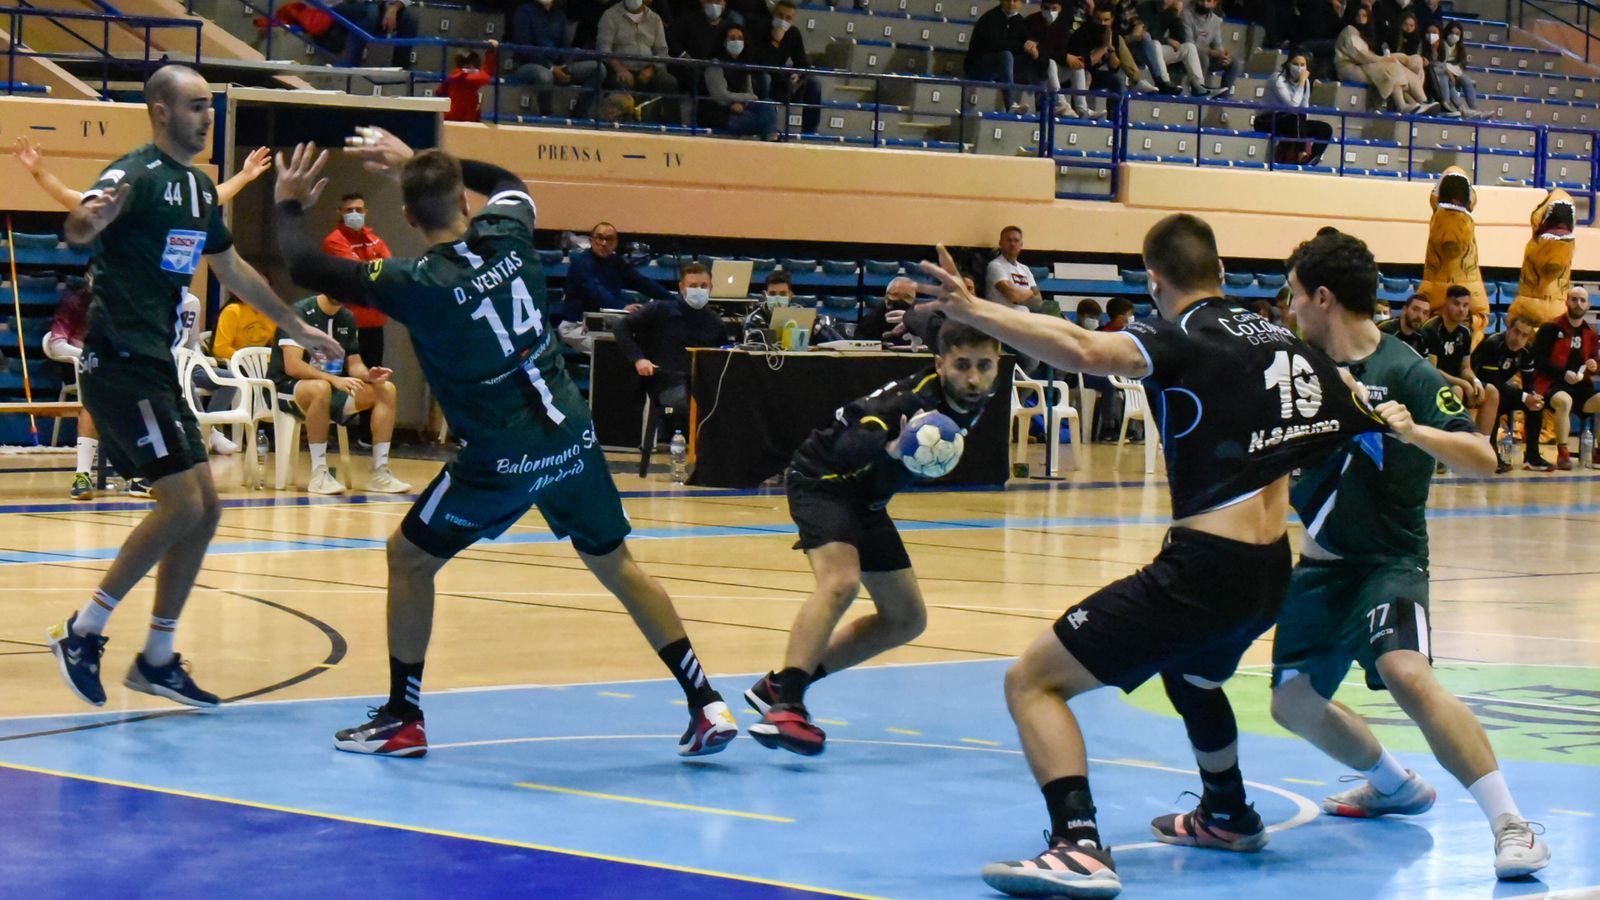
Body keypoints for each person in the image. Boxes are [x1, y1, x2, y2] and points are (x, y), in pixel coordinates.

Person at [922, 215, 1385, 898]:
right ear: (1222, 274)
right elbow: (1354, 422)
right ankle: (1227, 813)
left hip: (1204, 569)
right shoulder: (1285, 340)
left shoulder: (1179, 335)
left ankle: (1077, 845)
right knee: (1193, 677)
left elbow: (1081, 349)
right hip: (1268, 574)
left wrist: (976, 311)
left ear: (1155, 282)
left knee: (1032, 682)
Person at [272, 130, 739, 759]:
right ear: (465, 205)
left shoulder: (413, 281)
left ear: (408, 218)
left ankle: (403, 717)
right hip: (571, 435)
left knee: (409, 558)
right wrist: (420, 160)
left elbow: (302, 263)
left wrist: (288, 201)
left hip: (503, 454)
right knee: (616, 564)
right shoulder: (510, 240)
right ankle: (706, 700)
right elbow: (510, 181)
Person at [44, 65, 342, 710]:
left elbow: (231, 268)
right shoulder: (137, 173)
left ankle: (156, 656)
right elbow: (81, 226)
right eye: (197, 107)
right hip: (119, 363)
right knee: (180, 504)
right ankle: (84, 631)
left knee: (206, 511)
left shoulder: (199, 190)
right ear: (160, 111)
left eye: (211, 107)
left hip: (157, 364)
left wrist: (295, 325)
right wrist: (85, 222)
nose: (208, 118)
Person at [1268, 230, 1550, 882]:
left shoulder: (1407, 372)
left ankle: (1513, 826)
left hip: (1388, 564)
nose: (1289, 309)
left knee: (1405, 670)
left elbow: (1484, 460)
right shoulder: (1303, 367)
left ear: (1323, 297)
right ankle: (1394, 785)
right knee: (1292, 702)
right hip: (1319, 569)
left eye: (1293, 296)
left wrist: (1412, 431)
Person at [743, 323, 1002, 754]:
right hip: (822, 481)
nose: (973, 378)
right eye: (961, 366)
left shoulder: (977, 395)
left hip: (867, 498)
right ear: (940, 365)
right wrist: (888, 450)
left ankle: (780, 684)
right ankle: (786, 708)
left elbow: (927, 316)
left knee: (905, 618)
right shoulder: (910, 402)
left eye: (983, 366)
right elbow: (848, 447)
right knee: (840, 582)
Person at [266, 293, 411, 495]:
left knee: (386, 390)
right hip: (286, 388)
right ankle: (319, 473)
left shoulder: (347, 318)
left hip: (330, 387)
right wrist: (333, 379)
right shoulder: (298, 313)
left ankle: (380, 472)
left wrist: (368, 375)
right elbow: (293, 365)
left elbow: (354, 364)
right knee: (320, 388)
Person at [613, 262, 731, 413]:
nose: (699, 290)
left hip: (701, 385)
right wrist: (638, 359)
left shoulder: (715, 321)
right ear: (682, 287)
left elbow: (722, 353)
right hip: (665, 384)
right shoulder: (660, 309)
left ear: (711, 288)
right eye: (693, 286)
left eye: (703, 286)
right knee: (685, 404)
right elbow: (621, 326)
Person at [555, 222, 674, 351]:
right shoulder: (580, 262)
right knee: (614, 349)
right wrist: (622, 306)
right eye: (600, 238)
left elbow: (641, 282)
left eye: (609, 239)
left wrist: (674, 300)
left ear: (616, 243)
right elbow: (595, 291)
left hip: (606, 324)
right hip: (576, 326)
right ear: (591, 241)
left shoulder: (616, 262)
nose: (604, 243)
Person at [1525, 285, 1600, 471]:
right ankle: (1563, 452)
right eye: (1574, 299)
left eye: (1582, 300)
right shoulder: (1550, 328)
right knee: (1565, 401)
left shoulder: (1590, 333)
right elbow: (1538, 360)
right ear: (1566, 301)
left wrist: (1594, 365)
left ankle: (1598, 452)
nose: (1578, 303)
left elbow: (1594, 360)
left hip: (1582, 388)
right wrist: (1563, 374)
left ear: (1588, 305)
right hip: (1552, 385)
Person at [1421, 285, 1498, 438]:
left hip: (1457, 380)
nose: (1462, 309)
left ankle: (1482, 445)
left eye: (1465, 305)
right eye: (1456, 304)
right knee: (1457, 390)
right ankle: (1451, 446)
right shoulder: (1431, 329)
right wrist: (1463, 383)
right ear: (1446, 303)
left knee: (1491, 392)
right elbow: (1432, 370)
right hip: (1435, 382)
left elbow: (1465, 367)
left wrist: (1474, 381)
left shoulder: (1465, 332)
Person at [509, 0, 604, 119]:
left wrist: (564, 64)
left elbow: (565, 46)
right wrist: (551, 67)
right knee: (545, 76)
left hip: (557, 64)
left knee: (598, 68)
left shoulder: (559, 14)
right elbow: (525, 48)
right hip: (528, 64)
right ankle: (546, 116)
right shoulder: (523, 11)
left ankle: (579, 113)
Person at [1471, 314, 1539, 473]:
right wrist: (1524, 397)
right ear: (1508, 329)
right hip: (1479, 388)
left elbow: (1529, 383)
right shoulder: (1493, 343)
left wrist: (1533, 396)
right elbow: (1493, 383)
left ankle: (1532, 456)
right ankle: (1491, 452)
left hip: (1500, 390)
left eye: (1524, 335)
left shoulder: (1527, 350)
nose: (1519, 338)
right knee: (1494, 400)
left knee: (1536, 406)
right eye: (1516, 331)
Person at [1336, 5, 1434, 114]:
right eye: (1358, 15)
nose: (1360, 18)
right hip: (1350, 67)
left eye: (1364, 15)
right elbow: (1360, 55)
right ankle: (1402, 106)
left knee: (1403, 71)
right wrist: (1383, 59)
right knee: (1391, 69)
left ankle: (1423, 102)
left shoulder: (1366, 34)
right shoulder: (1350, 30)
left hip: (1363, 65)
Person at [597, 0, 682, 124]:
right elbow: (603, 49)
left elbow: (662, 51)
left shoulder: (655, 19)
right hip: (619, 69)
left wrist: (651, 69)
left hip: (648, 68)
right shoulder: (610, 15)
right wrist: (620, 69)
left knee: (670, 83)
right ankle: (627, 127)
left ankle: (675, 128)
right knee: (624, 86)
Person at [752, 1, 821, 134]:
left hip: (782, 80)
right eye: (780, 16)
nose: (783, 20)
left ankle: (809, 132)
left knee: (814, 84)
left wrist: (798, 74)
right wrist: (776, 41)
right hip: (761, 77)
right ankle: (768, 128)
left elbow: (802, 62)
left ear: (793, 20)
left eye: (788, 18)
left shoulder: (793, 33)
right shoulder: (760, 28)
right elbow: (761, 62)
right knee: (765, 78)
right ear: (773, 15)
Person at [1255, 52, 1333, 165]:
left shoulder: (1306, 82)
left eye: (1302, 65)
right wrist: (1301, 83)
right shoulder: (1277, 79)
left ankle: (1311, 160)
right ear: (1288, 64)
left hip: (1293, 121)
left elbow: (1304, 107)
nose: (1299, 68)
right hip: (1266, 120)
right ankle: (1302, 154)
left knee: (1325, 129)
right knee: (1295, 115)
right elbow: (1293, 106)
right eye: (1295, 64)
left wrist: (1302, 127)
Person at [701, 26, 777, 138]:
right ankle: (772, 140)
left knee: (768, 103)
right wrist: (743, 100)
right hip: (720, 113)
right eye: (732, 38)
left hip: (741, 110)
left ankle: (771, 139)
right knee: (766, 121)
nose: (737, 41)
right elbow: (721, 96)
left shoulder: (744, 64)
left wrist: (743, 103)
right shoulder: (715, 64)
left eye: (740, 38)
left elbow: (749, 92)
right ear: (724, 42)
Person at [966, 0, 1038, 110]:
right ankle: (1010, 104)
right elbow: (994, 44)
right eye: (1008, 0)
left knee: (1034, 61)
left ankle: (1043, 109)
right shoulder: (989, 18)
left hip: (1001, 69)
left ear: (1021, 3)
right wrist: (1022, 47)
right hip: (979, 67)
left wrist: (1032, 49)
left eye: (1015, 0)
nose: (1011, 3)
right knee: (1006, 56)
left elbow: (1028, 42)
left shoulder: (1021, 22)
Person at [330, 0, 418, 68]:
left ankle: (400, 72)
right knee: (371, 12)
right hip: (342, 4)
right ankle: (350, 68)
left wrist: (394, 7)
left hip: (376, 6)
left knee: (409, 19)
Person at [1182, 0, 1241, 96]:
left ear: (1215, 4)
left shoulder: (1215, 20)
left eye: (1209, 1)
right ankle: (1198, 93)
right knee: (1203, 57)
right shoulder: (1185, 14)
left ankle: (1222, 99)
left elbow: (1218, 46)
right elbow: (1188, 44)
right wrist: (1211, 52)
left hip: (1205, 58)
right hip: (1186, 57)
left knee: (1234, 62)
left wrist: (1224, 55)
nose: (1205, 3)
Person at [986, 226, 1042, 311]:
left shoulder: (1025, 269)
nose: (1012, 244)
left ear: (1021, 245)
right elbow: (1012, 295)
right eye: (1009, 240)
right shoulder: (995, 266)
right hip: (1002, 319)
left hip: (1025, 318)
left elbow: (1038, 301)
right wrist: (1031, 292)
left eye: (1016, 240)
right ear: (1000, 243)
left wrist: (1019, 296)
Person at [440, 41, 498, 123]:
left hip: (448, 120)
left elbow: (439, 92)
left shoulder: (451, 77)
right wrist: (490, 52)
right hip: (464, 122)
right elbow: (486, 75)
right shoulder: (469, 78)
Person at [854, 276, 919, 344]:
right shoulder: (871, 319)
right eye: (895, 295)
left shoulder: (920, 320)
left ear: (914, 300)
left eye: (907, 297)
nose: (900, 300)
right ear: (886, 297)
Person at [1437, 21, 1483, 117]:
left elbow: (1461, 64)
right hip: (1442, 72)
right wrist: (1449, 72)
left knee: (1467, 81)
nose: (1454, 36)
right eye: (1452, 33)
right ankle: (1453, 107)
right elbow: (1438, 63)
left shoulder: (1459, 47)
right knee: (1449, 81)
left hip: (1456, 72)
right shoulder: (1440, 44)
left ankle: (1473, 109)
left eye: (1457, 34)